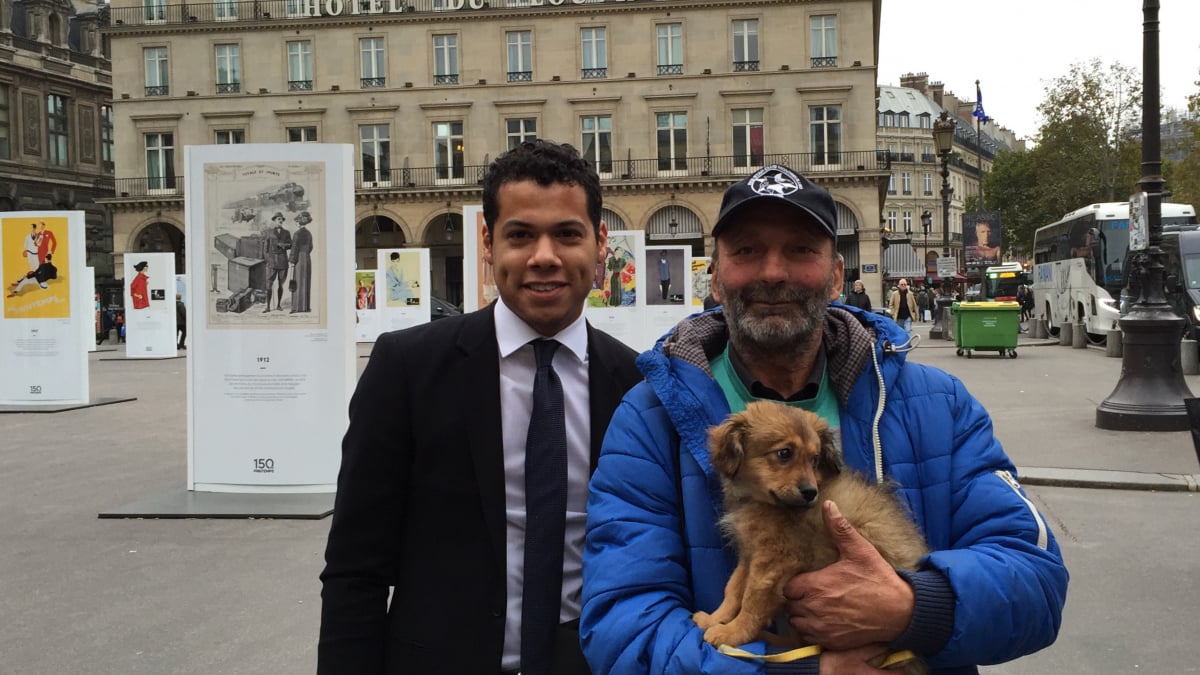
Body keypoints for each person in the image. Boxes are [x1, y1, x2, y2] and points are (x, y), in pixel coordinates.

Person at [580, 164, 1067, 674]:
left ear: (836, 275)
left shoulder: (939, 406)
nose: (773, 272)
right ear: (716, 277)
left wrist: (915, 606)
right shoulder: (648, 417)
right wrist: (796, 671)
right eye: (746, 250)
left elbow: (1035, 577)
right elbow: (622, 624)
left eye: (800, 250)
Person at [319, 139, 643, 675]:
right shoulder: (408, 369)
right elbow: (356, 567)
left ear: (600, 243)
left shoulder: (636, 383)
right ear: (489, 244)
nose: (544, 256)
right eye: (521, 235)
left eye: (567, 234)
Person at [263, 212, 292, 312]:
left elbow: (291, 245)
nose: (280, 220)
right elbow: (265, 248)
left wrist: (284, 245)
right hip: (272, 262)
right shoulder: (269, 232)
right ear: (274, 220)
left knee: (281, 285)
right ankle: (268, 307)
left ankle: (279, 305)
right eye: (278, 219)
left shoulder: (287, 233)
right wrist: (268, 259)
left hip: (283, 262)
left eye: (281, 219)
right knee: (269, 285)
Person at [289, 211, 313, 313]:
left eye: (297, 221)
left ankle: (296, 308)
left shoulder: (296, 234)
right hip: (307, 258)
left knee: (297, 281)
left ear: (299, 222)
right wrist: (305, 253)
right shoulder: (309, 234)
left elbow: (294, 248)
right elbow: (311, 247)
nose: (296, 223)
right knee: (305, 281)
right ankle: (305, 307)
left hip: (299, 259)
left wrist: (292, 261)